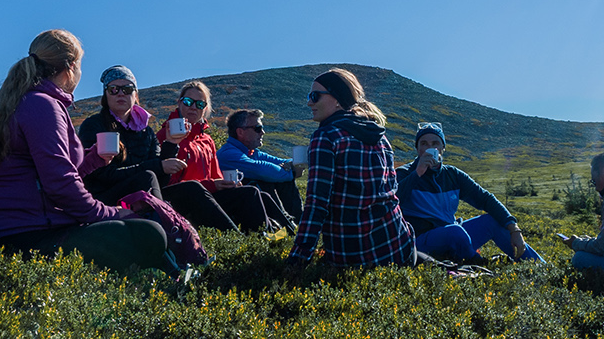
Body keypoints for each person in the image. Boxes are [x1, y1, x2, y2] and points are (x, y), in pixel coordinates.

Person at [0, 30, 176, 274]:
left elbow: (45, 174)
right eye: (80, 65)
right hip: (33, 237)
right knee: (149, 233)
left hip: (20, 231)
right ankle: (174, 277)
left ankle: (170, 273)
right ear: (70, 66)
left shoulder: (26, 101)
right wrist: (111, 213)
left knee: (145, 231)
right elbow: (59, 185)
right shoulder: (43, 106)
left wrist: (92, 160)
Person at [284, 68, 416, 270]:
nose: (309, 102)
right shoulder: (379, 135)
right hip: (398, 245)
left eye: (315, 96)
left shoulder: (326, 136)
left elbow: (317, 204)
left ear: (337, 98)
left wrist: (298, 258)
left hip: (354, 254)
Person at [160, 81, 297, 233]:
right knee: (249, 193)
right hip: (184, 199)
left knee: (257, 193)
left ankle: (287, 236)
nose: (193, 107)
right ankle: (250, 242)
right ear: (179, 103)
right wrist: (213, 185)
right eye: (188, 102)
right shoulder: (166, 136)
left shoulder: (206, 140)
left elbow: (216, 176)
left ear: (205, 109)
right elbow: (168, 182)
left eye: (200, 104)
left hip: (209, 196)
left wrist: (226, 184)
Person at [397, 122, 543, 263]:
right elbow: (393, 201)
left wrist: (514, 229)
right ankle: (481, 264)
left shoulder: (453, 175)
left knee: (490, 222)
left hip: (456, 235)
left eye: (435, 143)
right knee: (454, 232)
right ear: (417, 149)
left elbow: (485, 199)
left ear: (443, 148)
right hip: (421, 241)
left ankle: (541, 268)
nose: (430, 148)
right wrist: (417, 174)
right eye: (424, 144)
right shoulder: (404, 173)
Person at [76, 65, 175, 203]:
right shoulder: (94, 125)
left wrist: (171, 144)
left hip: (142, 189)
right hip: (104, 198)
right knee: (146, 177)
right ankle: (165, 222)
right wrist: (156, 167)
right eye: (113, 89)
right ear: (106, 95)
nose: (121, 94)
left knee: (191, 188)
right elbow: (101, 176)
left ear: (135, 95)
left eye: (127, 89)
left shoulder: (146, 131)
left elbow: (161, 177)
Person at [216, 108, 304, 220]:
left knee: (281, 179)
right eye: (258, 128)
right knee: (265, 180)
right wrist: (292, 172)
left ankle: (296, 221)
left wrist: (292, 165)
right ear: (240, 132)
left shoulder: (250, 152)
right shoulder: (228, 154)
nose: (263, 132)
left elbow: (279, 162)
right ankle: (285, 223)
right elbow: (261, 170)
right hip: (232, 208)